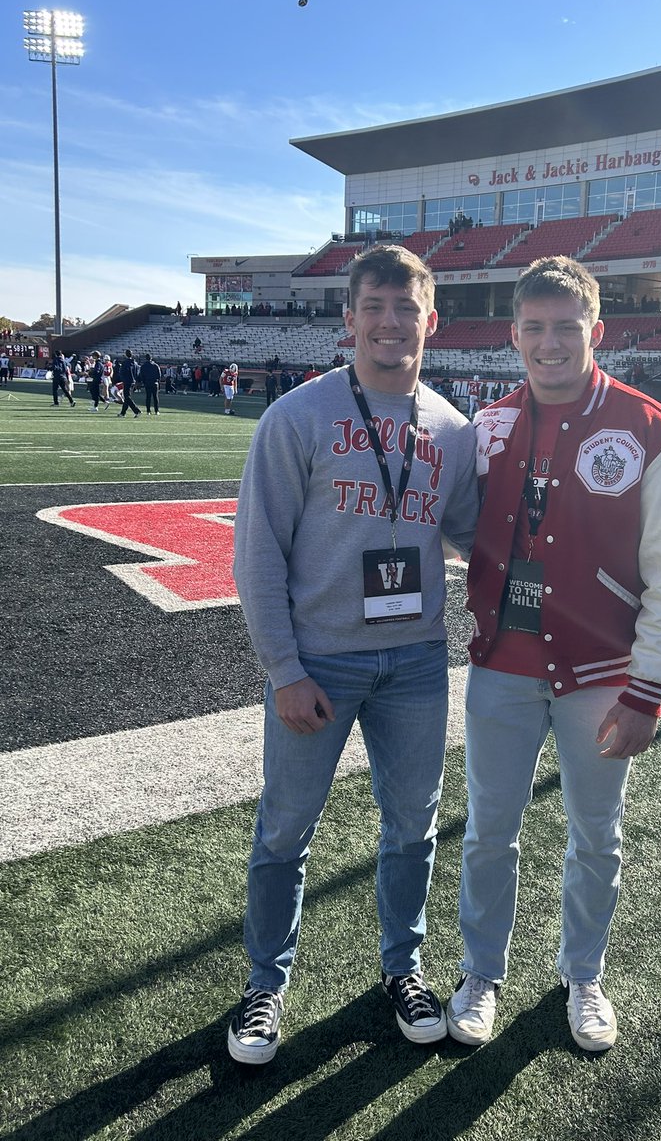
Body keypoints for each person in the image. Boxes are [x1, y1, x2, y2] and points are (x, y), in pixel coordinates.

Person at [447, 256, 661, 1052]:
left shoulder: (658, 433)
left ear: (597, 331)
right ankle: (482, 969)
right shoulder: (488, 427)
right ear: (514, 334)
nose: (550, 343)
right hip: (500, 666)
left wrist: (648, 691)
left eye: (567, 328)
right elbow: (465, 526)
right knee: (489, 830)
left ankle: (584, 973)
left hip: (600, 676)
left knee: (596, 834)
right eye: (534, 328)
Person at [228, 244, 479, 1064]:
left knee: (413, 827)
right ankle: (266, 984)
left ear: (430, 322)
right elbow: (258, 553)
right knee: (285, 829)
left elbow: (478, 540)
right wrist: (284, 670)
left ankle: (401, 969)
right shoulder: (296, 416)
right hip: (321, 662)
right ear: (350, 319)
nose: (390, 322)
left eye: (407, 309)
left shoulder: (452, 428)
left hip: (414, 661)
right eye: (375, 306)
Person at [118, 349, 141, 417]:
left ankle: (137, 411)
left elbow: (122, 372)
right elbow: (137, 373)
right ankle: (123, 413)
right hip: (133, 381)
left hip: (127, 381)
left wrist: (123, 379)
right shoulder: (135, 363)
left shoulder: (125, 363)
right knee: (127, 397)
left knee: (127, 397)